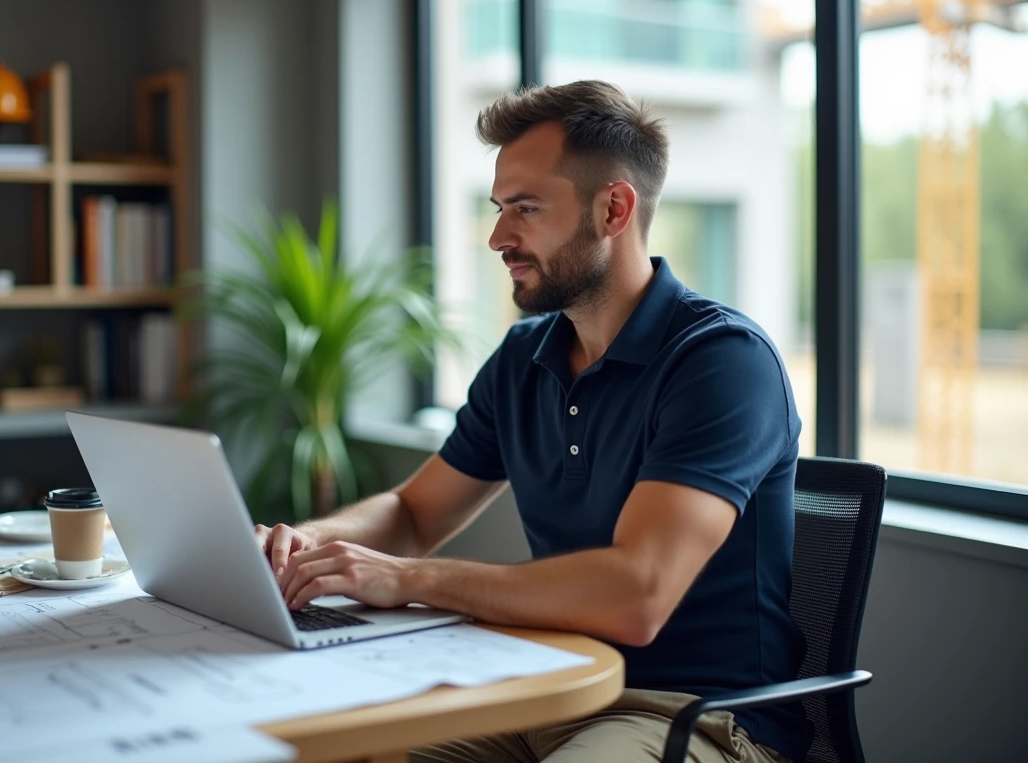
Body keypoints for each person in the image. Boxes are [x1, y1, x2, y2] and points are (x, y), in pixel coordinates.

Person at [255, 80, 812, 763]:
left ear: (613, 208)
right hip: (541, 687)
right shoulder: (525, 356)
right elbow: (411, 513)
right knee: (330, 748)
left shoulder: (721, 362)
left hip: (695, 716)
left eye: (525, 209)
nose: (497, 237)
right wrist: (300, 549)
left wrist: (410, 579)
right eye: (498, 208)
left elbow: (637, 595)